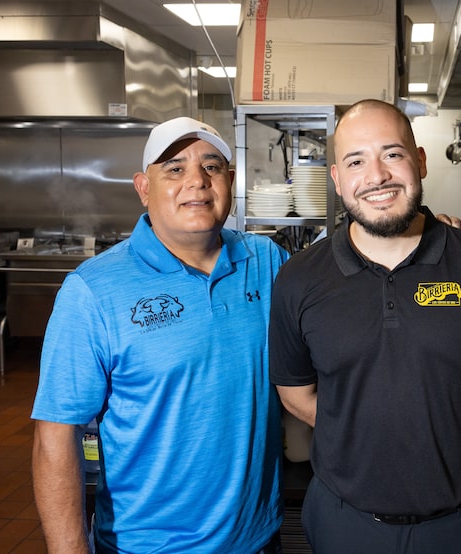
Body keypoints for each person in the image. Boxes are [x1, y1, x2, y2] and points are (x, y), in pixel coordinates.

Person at [268, 99, 461, 554]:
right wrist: (365, 428)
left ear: (419, 161)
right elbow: (296, 394)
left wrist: (451, 423)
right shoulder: (299, 279)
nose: (376, 176)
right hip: (346, 524)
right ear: (338, 177)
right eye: (356, 161)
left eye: (392, 154)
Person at [31, 117, 289, 553]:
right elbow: (55, 435)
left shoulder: (267, 260)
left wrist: (421, 237)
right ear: (143, 187)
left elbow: (342, 292)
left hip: (258, 540)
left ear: (229, 181)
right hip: (147, 545)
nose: (197, 182)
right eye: (174, 168)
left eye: (211, 167)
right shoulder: (92, 291)